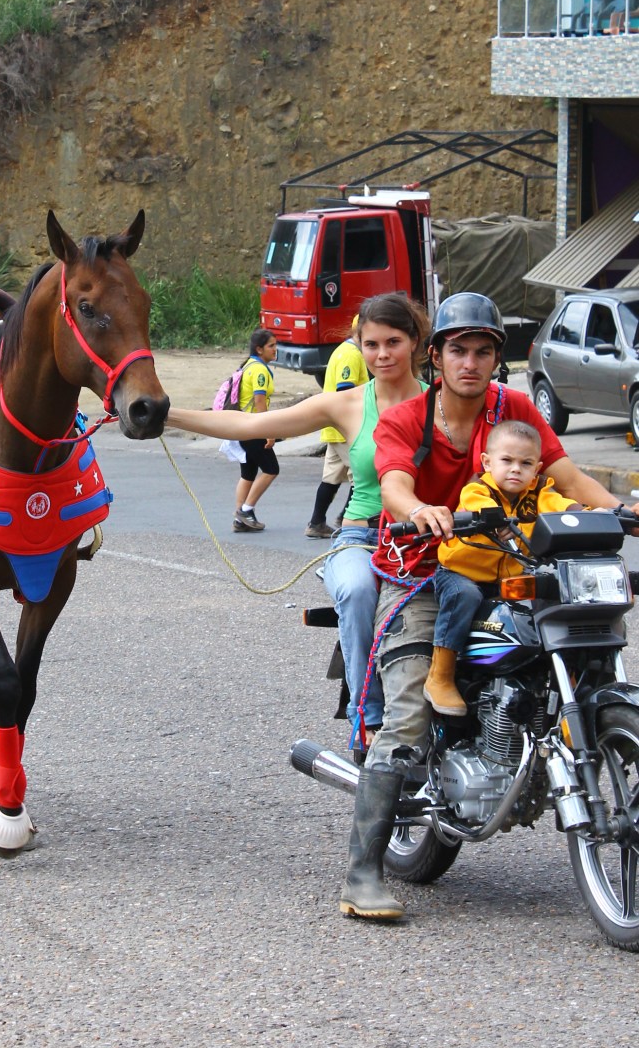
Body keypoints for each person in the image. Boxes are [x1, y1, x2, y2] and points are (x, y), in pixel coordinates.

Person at [338, 292, 639, 924]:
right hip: (427, 573)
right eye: (458, 350)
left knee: (585, 643)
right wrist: (417, 509)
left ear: (497, 359)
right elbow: (393, 481)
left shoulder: (517, 410)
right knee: (411, 710)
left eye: (482, 351)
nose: (470, 363)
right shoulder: (406, 419)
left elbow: (569, 478)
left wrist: (623, 514)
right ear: (435, 357)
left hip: (513, 569)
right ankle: (362, 870)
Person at [167, 294, 430, 743]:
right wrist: (163, 413)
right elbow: (247, 425)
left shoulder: (443, 403)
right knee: (356, 589)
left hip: (431, 537)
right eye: (371, 345)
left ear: (416, 342)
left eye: (393, 342)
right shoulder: (346, 404)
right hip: (363, 536)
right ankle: (366, 714)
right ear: (357, 346)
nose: (382, 355)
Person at [427, 420, 583, 716]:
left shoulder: (540, 494)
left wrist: (599, 513)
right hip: (462, 573)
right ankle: (441, 675)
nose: (516, 469)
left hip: (510, 577)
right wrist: (493, 520)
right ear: (487, 462)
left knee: (557, 595)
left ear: (537, 468)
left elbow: (564, 506)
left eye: (525, 463)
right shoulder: (477, 491)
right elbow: (480, 511)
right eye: (507, 460)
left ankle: (562, 679)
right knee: (465, 597)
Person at [305, 316, 369, 540]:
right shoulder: (351, 355)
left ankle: (317, 522)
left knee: (331, 478)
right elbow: (345, 390)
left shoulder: (343, 350)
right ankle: (347, 519)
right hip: (346, 429)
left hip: (334, 428)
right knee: (363, 475)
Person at [232, 329, 280, 532]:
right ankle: (246, 510)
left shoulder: (248, 365)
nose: (275, 350)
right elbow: (259, 401)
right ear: (259, 349)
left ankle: (240, 518)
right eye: (271, 346)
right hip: (253, 427)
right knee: (271, 469)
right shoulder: (259, 370)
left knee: (248, 473)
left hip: (241, 426)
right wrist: (268, 430)